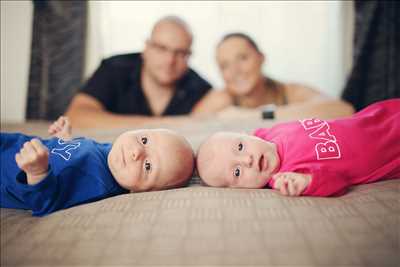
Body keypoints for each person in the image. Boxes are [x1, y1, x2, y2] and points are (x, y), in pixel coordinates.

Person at [196, 99, 400, 197]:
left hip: (374, 116)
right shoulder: (286, 177)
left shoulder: (267, 134)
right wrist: (307, 182)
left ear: (247, 135)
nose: (246, 159)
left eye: (240, 146)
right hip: (390, 152)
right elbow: (336, 182)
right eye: (237, 171)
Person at [1, 117, 194, 216]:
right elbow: (73, 160)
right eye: (144, 140)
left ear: (142, 193)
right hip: (11, 143)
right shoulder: (110, 152)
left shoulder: (99, 185)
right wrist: (65, 139)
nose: (137, 152)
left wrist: (37, 172)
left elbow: (47, 203)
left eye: (148, 166)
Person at [65, 16, 211, 128]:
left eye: (180, 53)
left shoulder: (199, 87)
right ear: (146, 48)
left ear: (189, 56)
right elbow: (75, 117)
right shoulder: (114, 68)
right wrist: (156, 125)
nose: (170, 60)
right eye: (161, 48)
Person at [193, 32, 354, 120]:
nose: (235, 71)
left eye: (242, 58)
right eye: (225, 65)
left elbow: (343, 110)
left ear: (261, 58)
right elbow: (185, 125)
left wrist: (258, 115)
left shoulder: (289, 92)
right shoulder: (222, 99)